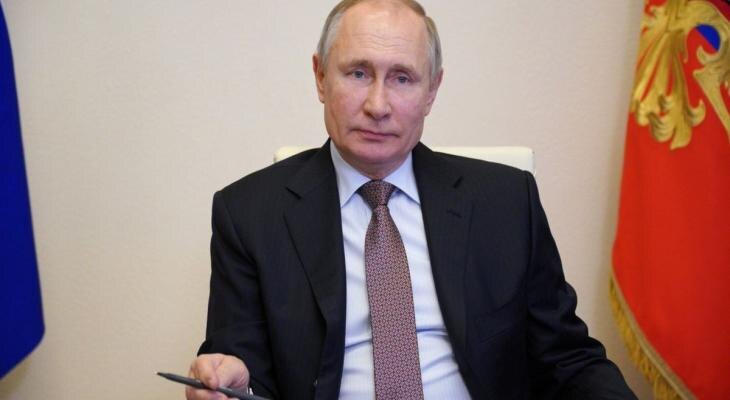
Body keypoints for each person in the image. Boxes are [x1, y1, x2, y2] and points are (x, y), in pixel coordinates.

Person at [186, 0, 637, 399]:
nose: (378, 105)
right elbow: (240, 369)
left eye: (402, 78)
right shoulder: (248, 214)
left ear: (432, 91)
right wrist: (233, 384)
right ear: (320, 77)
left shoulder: (506, 203)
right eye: (358, 73)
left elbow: (567, 359)